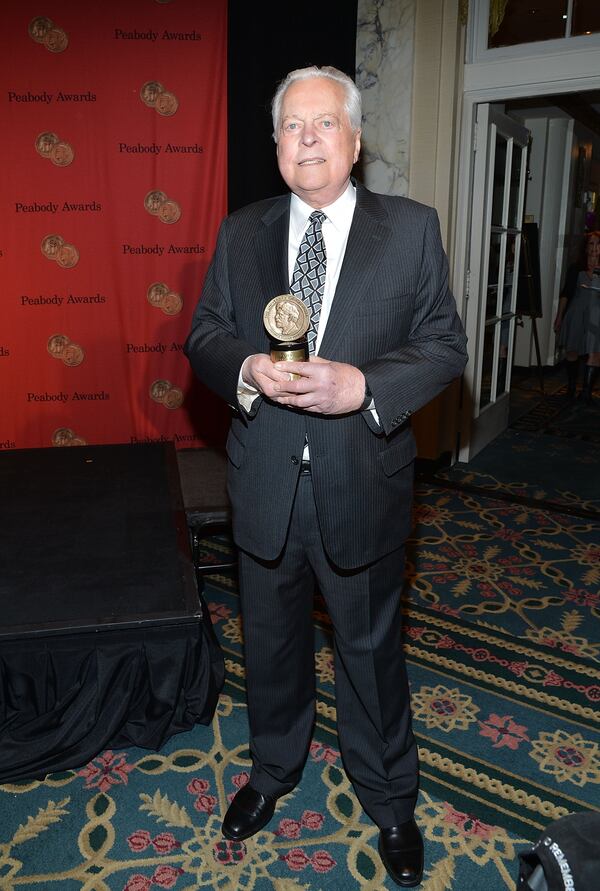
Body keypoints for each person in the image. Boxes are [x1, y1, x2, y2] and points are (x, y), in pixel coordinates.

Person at [185, 65, 467, 888]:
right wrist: (244, 368)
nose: (307, 138)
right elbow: (204, 334)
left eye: (323, 124)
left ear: (354, 141)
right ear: (276, 145)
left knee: (371, 649)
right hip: (265, 480)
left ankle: (388, 796)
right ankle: (272, 771)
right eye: (291, 126)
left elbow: (446, 345)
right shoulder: (241, 232)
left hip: (362, 480)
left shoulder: (410, 229)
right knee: (268, 642)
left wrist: (365, 387)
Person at [554, 231, 600, 403]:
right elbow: (566, 293)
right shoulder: (576, 267)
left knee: (595, 351)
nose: (595, 248)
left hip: (597, 315)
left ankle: (586, 391)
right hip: (576, 312)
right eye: (591, 244)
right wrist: (559, 317)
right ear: (585, 247)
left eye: (598, 243)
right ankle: (572, 386)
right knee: (572, 350)